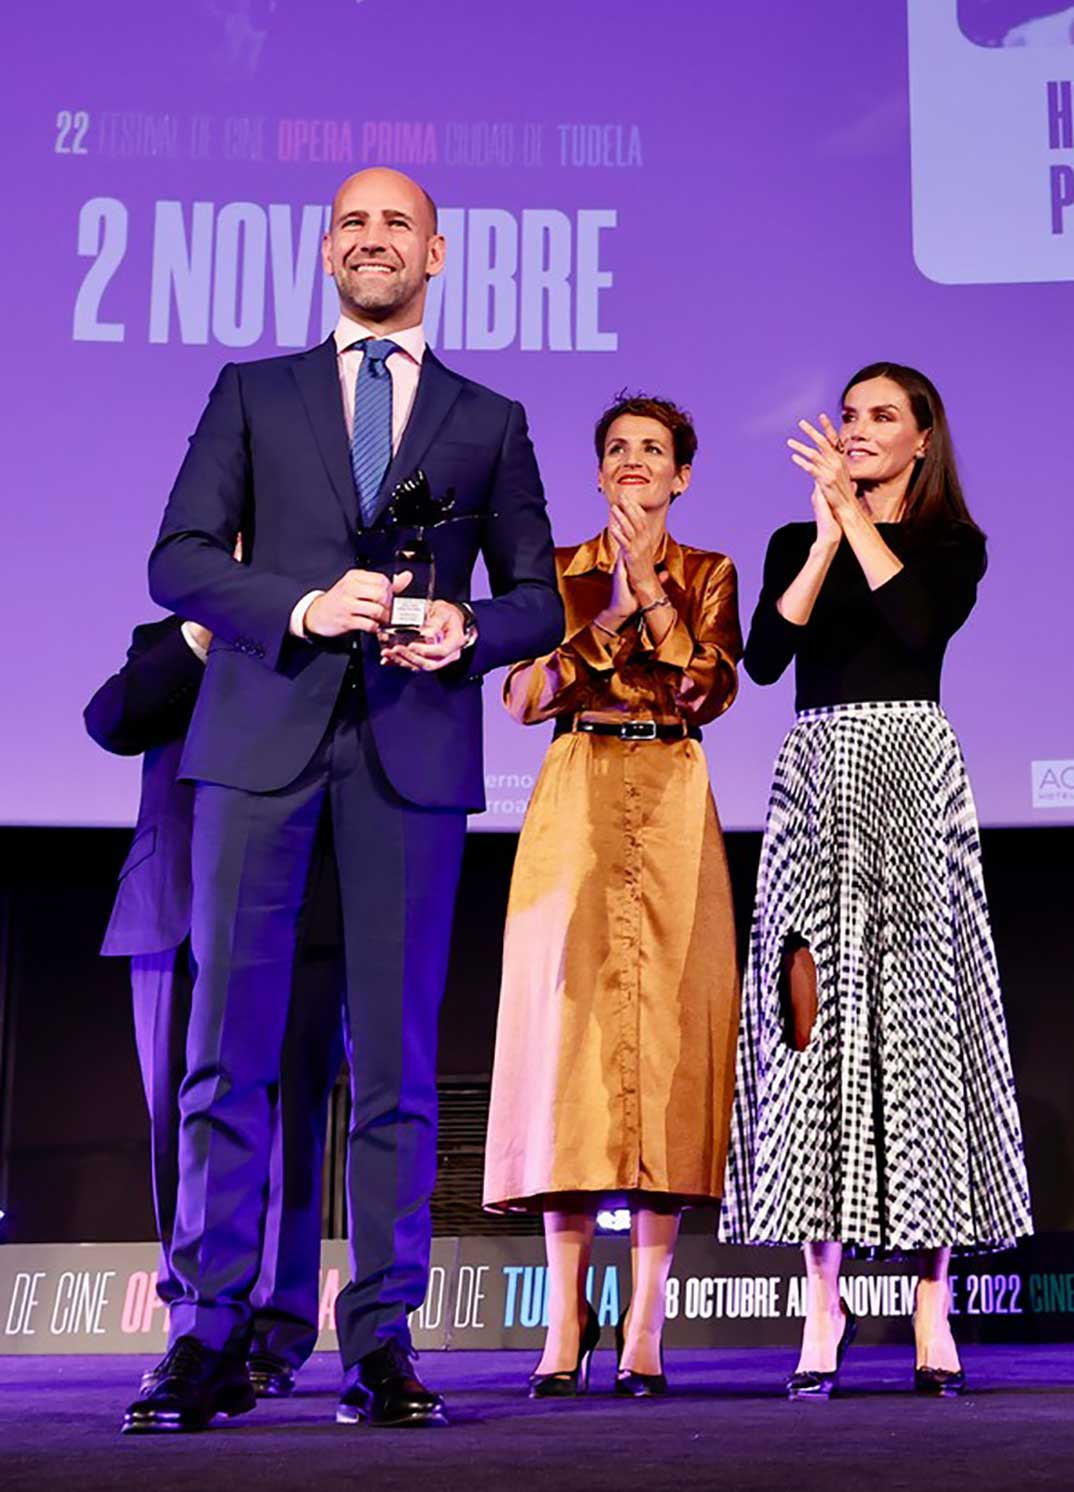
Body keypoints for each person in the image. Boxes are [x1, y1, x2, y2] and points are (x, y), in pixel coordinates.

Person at [124, 167, 562, 1433]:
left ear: (439, 251)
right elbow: (180, 557)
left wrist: (467, 626)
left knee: (398, 1061)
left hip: (410, 753)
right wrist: (306, 608)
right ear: (326, 252)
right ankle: (204, 1334)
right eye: (353, 224)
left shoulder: (489, 415)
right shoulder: (254, 393)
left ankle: (379, 1341)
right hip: (258, 736)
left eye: (397, 225)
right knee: (226, 1053)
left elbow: (538, 597)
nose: (376, 241)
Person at [720, 363, 1033, 1398]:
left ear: (922, 440)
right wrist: (818, 538)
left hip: (910, 776)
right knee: (812, 1030)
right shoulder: (793, 538)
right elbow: (766, 658)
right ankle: (824, 1301)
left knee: (917, 1031)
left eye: (880, 417)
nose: (856, 430)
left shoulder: (951, 544)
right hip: (818, 780)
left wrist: (856, 518)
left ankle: (932, 1303)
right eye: (848, 415)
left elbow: (917, 628)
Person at [483, 394, 742, 1398]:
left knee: (667, 1041)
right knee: (569, 1045)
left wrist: (658, 603)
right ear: (598, 473)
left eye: (655, 450)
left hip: (673, 792)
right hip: (576, 790)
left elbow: (709, 690)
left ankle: (642, 1325)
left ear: (681, 475)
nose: (636, 462)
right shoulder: (554, 571)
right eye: (619, 449)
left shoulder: (710, 572)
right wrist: (612, 621)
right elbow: (521, 696)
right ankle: (562, 1320)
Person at [85, 609, 345, 1399]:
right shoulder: (166, 635)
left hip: (293, 913)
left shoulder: (325, 634)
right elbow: (112, 719)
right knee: (178, 1122)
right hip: (171, 905)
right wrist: (203, 629)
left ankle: (277, 1330)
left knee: (289, 1122)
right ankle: (194, 1322)